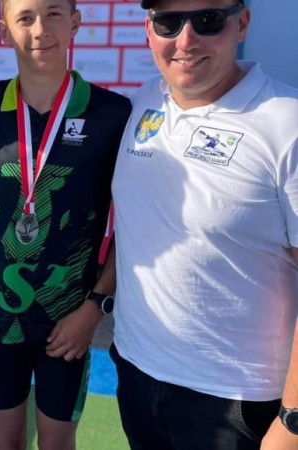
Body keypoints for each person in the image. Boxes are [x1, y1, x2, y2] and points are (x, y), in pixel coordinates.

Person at [110, 1, 298, 449]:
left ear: (241, 23)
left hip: (236, 403)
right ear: (149, 31)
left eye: (208, 20)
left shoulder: (288, 123)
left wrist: (292, 420)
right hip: (135, 371)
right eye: (168, 22)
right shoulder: (142, 102)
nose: (186, 39)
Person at [0, 0, 131, 448]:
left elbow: (134, 226)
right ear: (4, 31)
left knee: (57, 442)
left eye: (54, 14)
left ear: (75, 22)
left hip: (68, 318)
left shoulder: (112, 113)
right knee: (4, 440)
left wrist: (94, 307)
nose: (40, 29)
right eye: (24, 18)